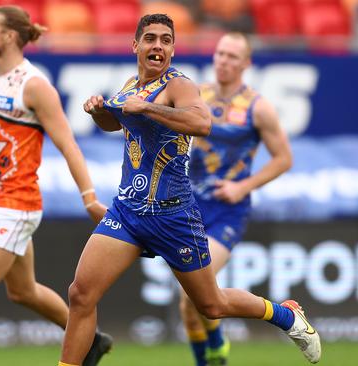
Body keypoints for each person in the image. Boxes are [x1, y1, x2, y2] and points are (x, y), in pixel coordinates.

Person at [58, 14, 321, 366]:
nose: (158, 46)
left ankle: (285, 315)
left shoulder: (179, 85)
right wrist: (98, 112)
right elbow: (114, 122)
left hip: (173, 214)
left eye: (166, 40)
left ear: (172, 49)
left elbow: (202, 123)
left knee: (211, 305)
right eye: (150, 38)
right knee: (80, 294)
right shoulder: (130, 85)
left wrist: (148, 108)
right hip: (129, 211)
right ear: (135, 45)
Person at [0, 6, 112, 366]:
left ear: (10, 36)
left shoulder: (34, 85)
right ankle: (91, 340)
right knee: (22, 291)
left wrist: (89, 197)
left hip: (16, 205)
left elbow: (68, 144)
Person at [180, 32, 293, 366]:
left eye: (232, 56)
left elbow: (283, 158)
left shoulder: (259, 108)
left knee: (196, 289)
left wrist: (244, 188)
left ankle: (215, 351)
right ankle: (214, 346)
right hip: (189, 204)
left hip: (227, 210)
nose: (223, 61)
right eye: (219, 53)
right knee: (187, 304)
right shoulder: (197, 94)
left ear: (246, 63)